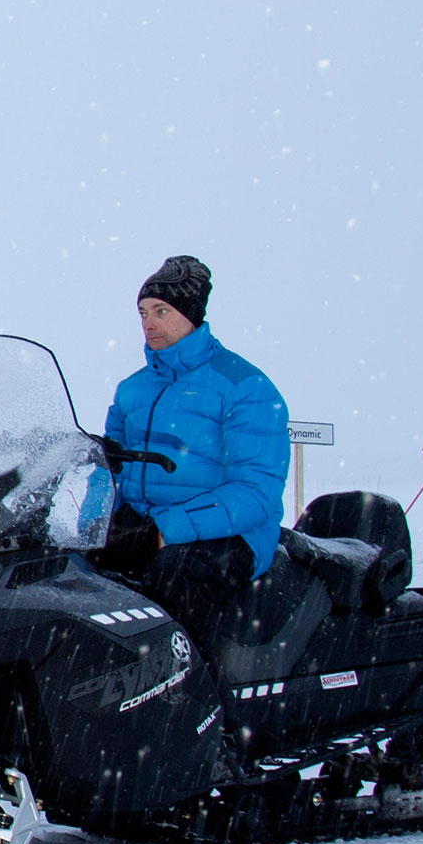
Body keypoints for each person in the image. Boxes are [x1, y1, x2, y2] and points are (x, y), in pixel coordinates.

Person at [100, 255, 290, 647]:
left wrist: (164, 534)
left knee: (173, 574)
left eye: (161, 311)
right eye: (142, 312)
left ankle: (190, 697)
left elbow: (257, 492)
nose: (148, 322)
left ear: (191, 314)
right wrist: (94, 524)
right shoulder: (132, 389)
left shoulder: (244, 387)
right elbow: (108, 470)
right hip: (147, 527)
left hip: (234, 535)